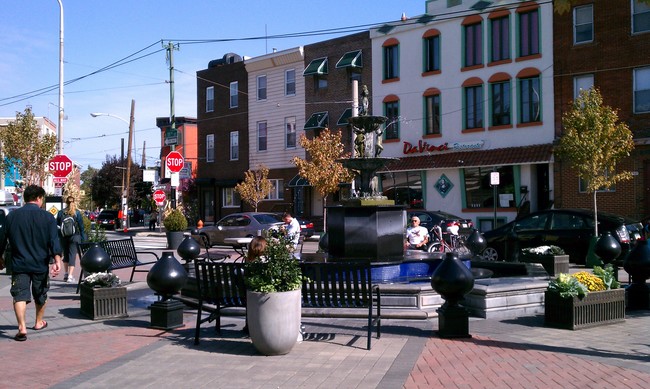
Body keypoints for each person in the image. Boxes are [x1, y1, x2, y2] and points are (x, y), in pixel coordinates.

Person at [0, 185, 62, 341]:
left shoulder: (12, 217)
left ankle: (22, 327)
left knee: (19, 295)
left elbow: (2, 240)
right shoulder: (48, 217)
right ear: (39, 198)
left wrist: (0, 258)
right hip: (40, 264)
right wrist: (57, 260)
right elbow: (54, 241)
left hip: (19, 264)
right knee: (40, 293)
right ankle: (38, 322)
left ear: (25, 198)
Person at [57, 196, 86, 283]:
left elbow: (57, 225)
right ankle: (70, 276)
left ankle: (65, 274)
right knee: (72, 255)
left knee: (65, 254)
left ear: (66, 202)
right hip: (75, 236)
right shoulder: (77, 213)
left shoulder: (61, 212)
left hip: (64, 236)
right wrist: (83, 238)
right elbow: (81, 227)